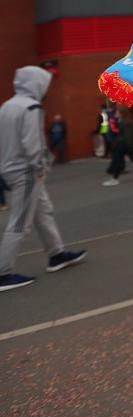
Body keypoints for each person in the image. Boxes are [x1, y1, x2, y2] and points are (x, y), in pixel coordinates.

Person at [0, 66, 87, 292]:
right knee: (19, 222)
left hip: (12, 167)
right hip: (27, 170)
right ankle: (3, 272)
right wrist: (41, 166)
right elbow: (33, 144)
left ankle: (56, 254)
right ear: (36, 84)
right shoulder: (31, 107)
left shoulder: (7, 106)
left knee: (42, 212)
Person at [103, 107, 133, 186]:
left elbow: (128, 135)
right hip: (125, 144)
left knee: (117, 160)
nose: (116, 114)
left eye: (117, 112)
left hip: (123, 144)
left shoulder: (124, 123)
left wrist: (128, 145)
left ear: (121, 113)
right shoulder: (124, 122)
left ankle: (115, 179)